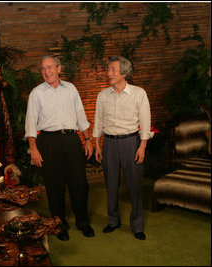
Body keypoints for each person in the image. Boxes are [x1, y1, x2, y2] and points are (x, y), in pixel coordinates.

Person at [25, 55, 94, 241]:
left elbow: (80, 115)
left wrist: (87, 139)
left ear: (59, 69)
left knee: (79, 183)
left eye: (50, 67)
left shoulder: (71, 88)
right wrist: (34, 148)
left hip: (72, 140)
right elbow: (31, 123)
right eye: (43, 69)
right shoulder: (36, 93)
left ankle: (83, 222)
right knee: (54, 186)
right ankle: (59, 224)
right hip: (49, 142)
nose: (46, 71)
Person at [93, 56, 154, 241]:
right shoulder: (102, 95)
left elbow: (145, 122)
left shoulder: (139, 93)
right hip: (109, 144)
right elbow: (98, 121)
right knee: (111, 184)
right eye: (108, 69)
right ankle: (113, 221)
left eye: (112, 70)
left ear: (124, 73)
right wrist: (97, 145)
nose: (108, 73)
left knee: (135, 185)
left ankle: (137, 226)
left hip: (131, 143)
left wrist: (142, 147)